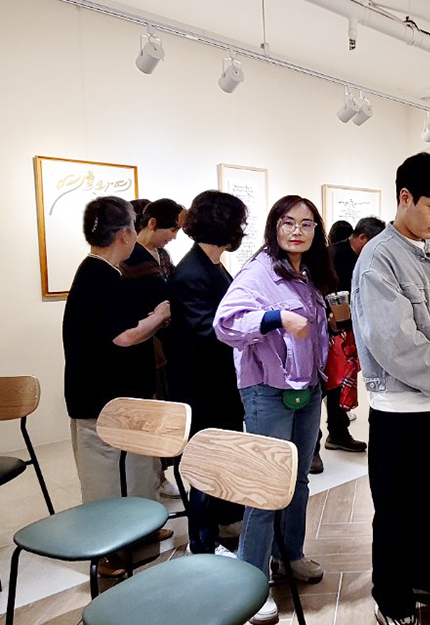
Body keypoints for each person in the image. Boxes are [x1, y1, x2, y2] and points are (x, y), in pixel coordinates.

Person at [352, 153, 430, 625]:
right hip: (400, 409)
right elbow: (393, 341)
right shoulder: (378, 257)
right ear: (404, 197)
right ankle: (391, 597)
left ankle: (428, 575)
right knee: (397, 509)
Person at [214, 195, 335, 625]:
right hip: (267, 391)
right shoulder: (258, 271)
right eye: (288, 222)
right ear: (274, 227)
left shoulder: (307, 271)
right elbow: (225, 323)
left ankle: (290, 555)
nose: (297, 231)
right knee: (266, 487)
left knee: (297, 479)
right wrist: (277, 318)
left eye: (306, 223)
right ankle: (251, 582)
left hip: (308, 388)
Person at [63, 196, 171, 575]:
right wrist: (159, 316)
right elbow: (123, 336)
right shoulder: (98, 275)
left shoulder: (105, 273)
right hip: (99, 399)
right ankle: (106, 550)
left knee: (136, 467)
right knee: (104, 475)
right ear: (125, 233)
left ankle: (140, 530)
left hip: (122, 397)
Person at [167, 190, 248, 558]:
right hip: (200, 386)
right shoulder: (191, 272)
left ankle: (227, 519)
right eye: (238, 222)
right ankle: (202, 542)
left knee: (225, 454)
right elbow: (208, 330)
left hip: (220, 383)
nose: (242, 229)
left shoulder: (212, 265)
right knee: (206, 461)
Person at [311, 216, 387, 472]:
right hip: (324, 331)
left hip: (346, 332)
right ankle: (311, 448)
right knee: (318, 389)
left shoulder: (362, 258)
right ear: (363, 238)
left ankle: (338, 433)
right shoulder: (331, 255)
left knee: (338, 385)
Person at [121, 197, 183, 500]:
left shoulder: (162, 255)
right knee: (149, 412)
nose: (174, 236)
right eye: (172, 229)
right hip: (144, 343)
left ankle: (159, 474)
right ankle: (150, 479)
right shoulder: (129, 258)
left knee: (164, 410)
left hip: (165, 344)